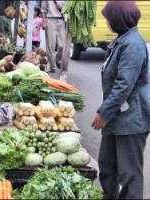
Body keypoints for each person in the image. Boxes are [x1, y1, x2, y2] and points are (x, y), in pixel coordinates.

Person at [91, 1, 150, 199]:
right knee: (107, 165)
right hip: (117, 115)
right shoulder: (122, 39)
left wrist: (103, 112)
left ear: (118, 18)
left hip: (131, 119)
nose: (107, 22)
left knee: (129, 173)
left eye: (108, 18)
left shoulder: (133, 44)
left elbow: (124, 84)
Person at [41, 0, 70, 76]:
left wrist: (62, 7)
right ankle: (52, 66)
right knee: (51, 45)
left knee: (62, 45)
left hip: (61, 20)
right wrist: (44, 22)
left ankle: (57, 60)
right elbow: (43, 10)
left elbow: (68, 8)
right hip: (50, 20)